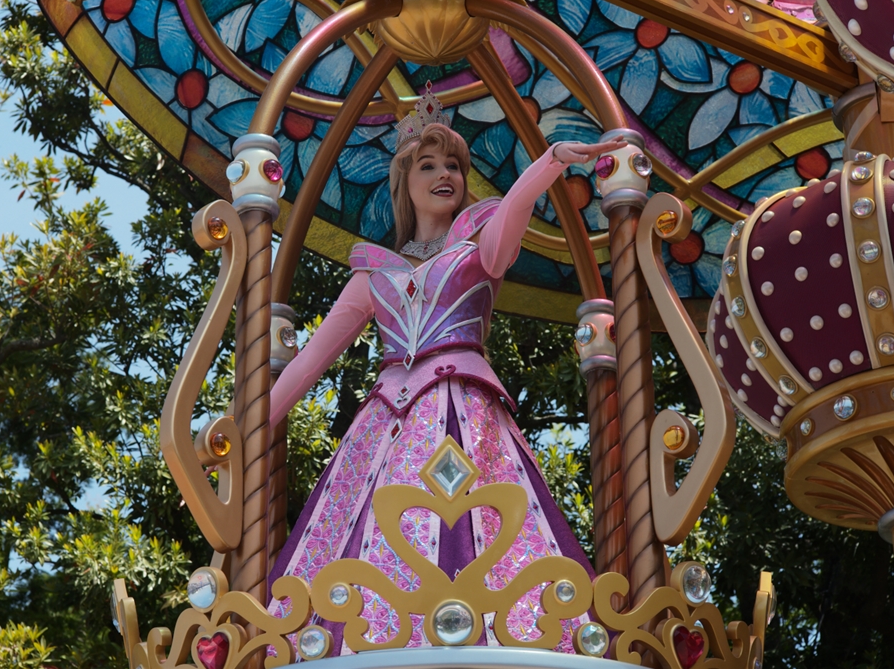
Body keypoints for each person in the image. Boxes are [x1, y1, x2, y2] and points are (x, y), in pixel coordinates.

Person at [267, 87, 625, 654]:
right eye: (428, 165)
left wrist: (552, 160)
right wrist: (248, 427)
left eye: (454, 166)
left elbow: (514, 208)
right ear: (404, 182)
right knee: (376, 536)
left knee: (485, 534)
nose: (444, 175)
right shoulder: (373, 273)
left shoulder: (480, 247)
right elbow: (312, 359)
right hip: (387, 422)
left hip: (468, 417)